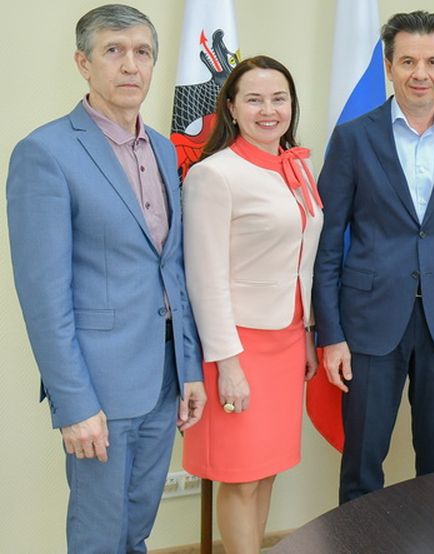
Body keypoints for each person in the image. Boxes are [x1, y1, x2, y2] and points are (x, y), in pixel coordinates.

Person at [6, 4, 206, 553]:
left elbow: (172, 267)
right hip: (98, 388)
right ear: (83, 63)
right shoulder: (45, 153)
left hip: (162, 379)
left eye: (142, 52)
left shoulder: (163, 148)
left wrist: (189, 368)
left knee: (136, 531)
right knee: (98, 537)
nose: (130, 65)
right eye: (113, 51)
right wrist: (73, 405)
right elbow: (43, 297)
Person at [314, 10, 434, 503]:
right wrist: (331, 334)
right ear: (389, 67)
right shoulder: (353, 138)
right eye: (408, 61)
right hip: (369, 323)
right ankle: (359, 540)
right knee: (362, 462)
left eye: (433, 62)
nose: (421, 73)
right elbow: (327, 244)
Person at [181, 55, 323, 551]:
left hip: (287, 339)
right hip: (238, 346)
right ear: (232, 109)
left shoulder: (298, 166)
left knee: (266, 470)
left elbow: (302, 262)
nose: (269, 110)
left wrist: (307, 335)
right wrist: (227, 363)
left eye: (279, 99)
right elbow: (204, 278)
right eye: (255, 100)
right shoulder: (214, 175)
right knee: (240, 477)